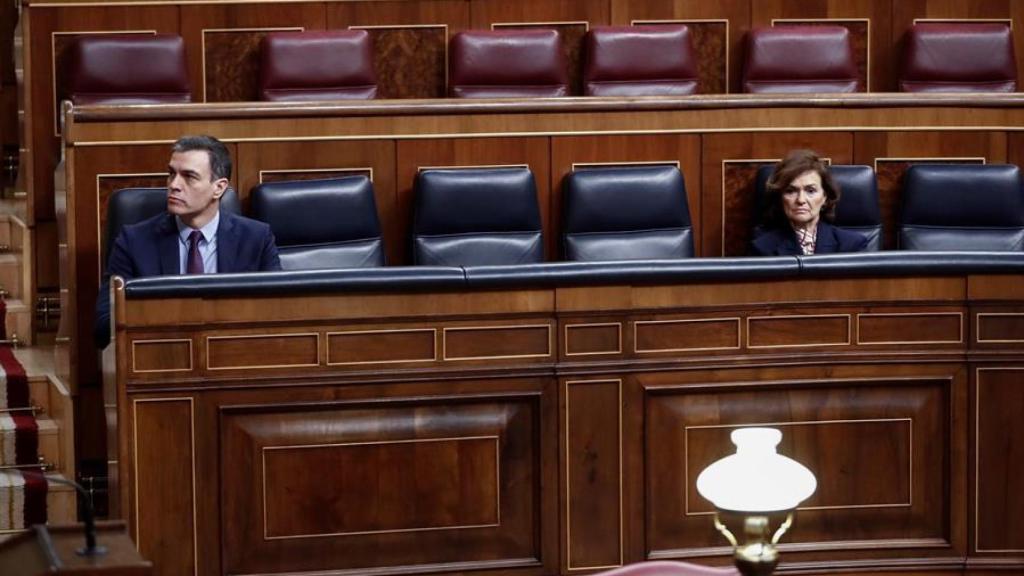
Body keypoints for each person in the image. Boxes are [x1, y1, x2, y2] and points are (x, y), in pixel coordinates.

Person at [94, 135, 281, 347]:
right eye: (171, 174)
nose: (174, 185)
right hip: (162, 357)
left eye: (189, 176)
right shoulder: (134, 241)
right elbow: (102, 326)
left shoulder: (256, 239)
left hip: (235, 357)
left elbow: (279, 315)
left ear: (218, 188)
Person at [750, 149, 869, 256]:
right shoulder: (763, 248)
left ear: (825, 197)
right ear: (780, 197)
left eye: (810, 191)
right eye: (790, 191)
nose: (801, 200)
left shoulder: (852, 245)